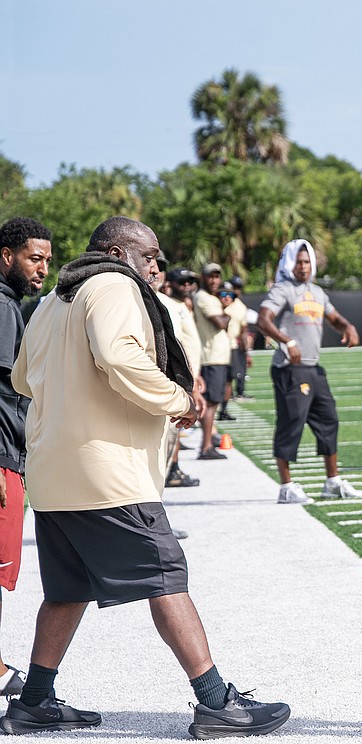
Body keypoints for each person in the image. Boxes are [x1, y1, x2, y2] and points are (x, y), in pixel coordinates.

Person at [5, 216, 289, 738]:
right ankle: (217, 704)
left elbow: (23, 378)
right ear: (117, 253)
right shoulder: (112, 284)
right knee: (165, 576)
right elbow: (119, 356)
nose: (155, 267)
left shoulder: (51, 301)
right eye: (150, 256)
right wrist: (177, 398)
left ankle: (34, 703)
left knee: (67, 590)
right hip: (107, 472)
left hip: (52, 472)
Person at [256, 239, 362, 504]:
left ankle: (332, 482)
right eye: (298, 262)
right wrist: (287, 341)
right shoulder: (283, 289)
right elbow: (263, 320)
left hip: (313, 367)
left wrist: (348, 326)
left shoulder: (316, 292)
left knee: (329, 420)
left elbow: (334, 318)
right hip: (289, 369)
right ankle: (286, 487)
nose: (303, 267)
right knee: (291, 423)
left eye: (307, 262)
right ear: (289, 263)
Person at [0, 218, 53, 699]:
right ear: (6, 255)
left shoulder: (10, 304)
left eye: (47, 261)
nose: (43, 269)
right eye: (34, 258)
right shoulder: (2, 307)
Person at [157, 265, 204, 489]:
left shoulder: (177, 305)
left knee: (173, 432)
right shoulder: (164, 303)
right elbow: (177, 347)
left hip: (185, 377)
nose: (186, 286)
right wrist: (189, 383)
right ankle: (170, 471)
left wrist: (196, 374)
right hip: (172, 381)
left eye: (190, 282)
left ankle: (172, 468)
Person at [192, 263, 233, 459]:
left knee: (213, 403)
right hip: (211, 357)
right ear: (203, 278)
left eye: (217, 276)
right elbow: (221, 323)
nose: (215, 280)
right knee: (210, 403)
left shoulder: (210, 297)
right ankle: (206, 446)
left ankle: (209, 439)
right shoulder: (203, 297)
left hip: (216, 357)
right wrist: (226, 311)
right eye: (211, 276)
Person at [227, 276, 254, 401]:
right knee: (228, 373)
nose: (236, 291)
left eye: (238, 288)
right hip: (224, 343)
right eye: (234, 287)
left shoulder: (241, 306)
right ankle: (229, 394)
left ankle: (240, 391)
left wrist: (246, 350)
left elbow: (244, 329)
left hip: (236, 342)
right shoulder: (223, 301)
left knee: (240, 369)